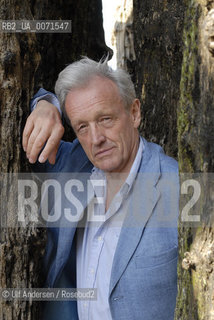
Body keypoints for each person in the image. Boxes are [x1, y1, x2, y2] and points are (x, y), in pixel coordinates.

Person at [22, 57, 179, 320]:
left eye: (105, 119)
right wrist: (46, 105)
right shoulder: (70, 166)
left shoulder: (178, 185)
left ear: (134, 113)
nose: (96, 139)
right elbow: (15, 118)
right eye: (82, 127)